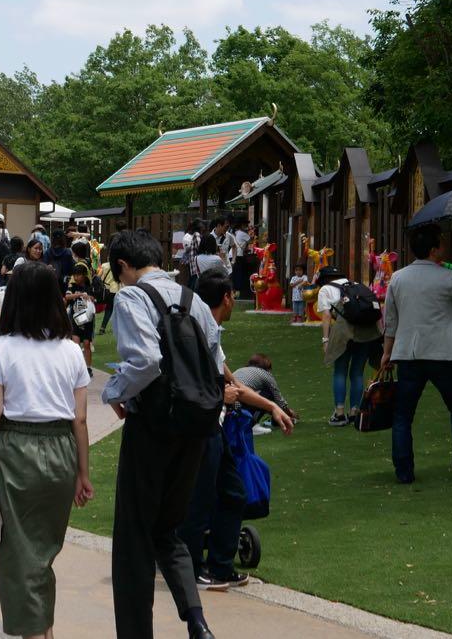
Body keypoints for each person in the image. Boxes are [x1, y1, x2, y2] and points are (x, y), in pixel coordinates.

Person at [100, 229, 220, 639]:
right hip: (196, 427)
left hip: (152, 426)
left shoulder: (131, 297)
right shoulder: (196, 301)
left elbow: (146, 360)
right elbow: (217, 361)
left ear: (122, 266)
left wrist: (113, 391)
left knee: (133, 539)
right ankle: (197, 620)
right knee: (167, 529)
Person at [0, 261, 93, 639]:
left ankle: (35, 635)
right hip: (62, 451)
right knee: (43, 554)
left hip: (17, 452)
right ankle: (44, 632)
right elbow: (80, 419)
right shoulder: (72, 351)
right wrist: (82, 474)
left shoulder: (0, 348)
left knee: (20, 556)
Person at [181, 269, 294, 591]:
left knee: (233, 494)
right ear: (228, 298)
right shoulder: (199, 334)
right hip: (200, 428)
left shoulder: (211, 335)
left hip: (214, 430)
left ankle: (219, 565)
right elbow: (194, 383)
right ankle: (193, 570)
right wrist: (221, 395)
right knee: (201, 500)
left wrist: (272, 406)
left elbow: (235, 385)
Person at [381, 224, 452, 483]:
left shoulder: (398, 278)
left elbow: (391, 321)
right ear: (433, 250)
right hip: (442, 353)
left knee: (403, 415)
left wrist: (387, 353)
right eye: (441, 242)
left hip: (408, 354)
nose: (445, 246)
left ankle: (404, 471)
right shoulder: (448, 277)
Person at [318, 265, 381, 427]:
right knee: (357, 372)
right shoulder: (355, 285)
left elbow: (326, 315)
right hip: (366, 332)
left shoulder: (325, 289)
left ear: (324, 279)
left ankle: (339, 414)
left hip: (344, 332)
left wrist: (325, 340)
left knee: (340, 371)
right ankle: (354, 412)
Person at [233, 354, 297, 434]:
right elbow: (279, 400)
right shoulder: (265, 374)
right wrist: (289, 413)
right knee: (269, 393)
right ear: (267, 367)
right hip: (238, 408)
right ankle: (251, 425)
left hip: (229, 407)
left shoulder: (240, 370)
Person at [64, 261, 96, 367]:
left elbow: (94, 299)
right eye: (75, 275)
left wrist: (89, 297)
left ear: (84, 275)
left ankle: (88, 367)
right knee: (76, 344)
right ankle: (77, 367)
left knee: (87, 344)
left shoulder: (90, 287)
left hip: (87, 320)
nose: (76, 277)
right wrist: (79, 295)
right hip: (75, 319)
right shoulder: (72, 286)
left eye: (79, 275)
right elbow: (67, 297)